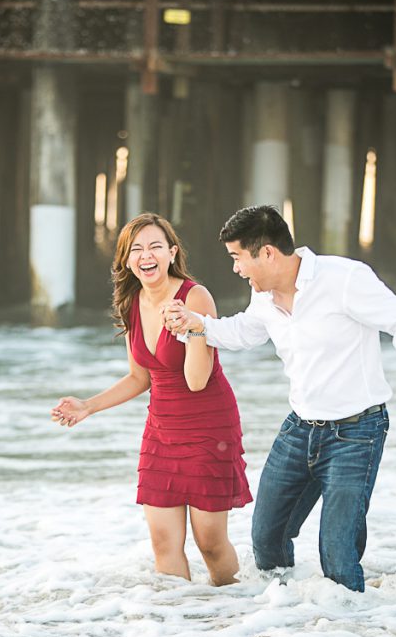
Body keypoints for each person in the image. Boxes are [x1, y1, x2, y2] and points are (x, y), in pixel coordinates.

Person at [164, 204, 396, 593]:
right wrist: (198, 325)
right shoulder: (264, 296)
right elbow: (243, 333)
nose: (236, 269)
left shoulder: (344, 279)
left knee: (337, 555)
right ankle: (288, 624)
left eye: (238, 257)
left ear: (267, 253)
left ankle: (354, 636)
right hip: (299, 428)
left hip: (356, 434)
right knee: (267, 540)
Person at [51, 212, 252, 586]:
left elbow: (195, 380)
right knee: (163, 542)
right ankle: (178, 625)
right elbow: (140, 376)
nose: (147, 255)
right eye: (137, 249)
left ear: (172, 253)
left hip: (209, 425)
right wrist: (88, 406)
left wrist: (191, 328)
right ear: (128, 260)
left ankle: (233, 611)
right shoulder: (131, 302)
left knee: (209, 542)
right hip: (161, 430)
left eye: (156, 246)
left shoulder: (194, 296)